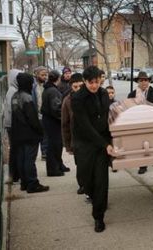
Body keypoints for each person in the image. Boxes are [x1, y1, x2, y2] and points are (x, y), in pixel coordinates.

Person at [72, 66, 114, 233]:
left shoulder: (103, 94)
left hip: (102, 143)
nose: (95, 85)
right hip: (85, 143)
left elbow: (107, 117)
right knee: (86, 180)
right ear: (85, 81)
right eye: (91, 83)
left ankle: (99, 216)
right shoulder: (77, 98)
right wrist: (105, 144)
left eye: (97, 82)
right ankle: (92, 195)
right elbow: (85, 127)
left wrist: (110, 140)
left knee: (101, 181)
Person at [11, 72, 50, 193]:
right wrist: (40, 131)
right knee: (29, 160)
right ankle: (33, 184)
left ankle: (25, 183)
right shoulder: (27, 98)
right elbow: (32, 119)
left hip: (18, 134)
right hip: (29, 134)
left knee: (21, 159)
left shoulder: (15, 96)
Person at [127, 71, 153, 174]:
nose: (144, 82)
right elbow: (129, 109)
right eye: (141, 80)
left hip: (152, 121)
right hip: (139, 122)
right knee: (141, 145)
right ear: (138, 82)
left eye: (146, 80)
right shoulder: (132, 94)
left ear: (149, 81)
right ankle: (143, 165)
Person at [41, 70, 69, 176]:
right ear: (57, 79)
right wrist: (63, 118)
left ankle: (58, 165)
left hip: (50, 120)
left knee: (57, 144)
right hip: (52, 121)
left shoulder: (49, 89)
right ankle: (53, 169)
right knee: (54, 145)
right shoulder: (52, 91)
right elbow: (56, 108)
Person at [61, 73, 85, 194]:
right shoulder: (67, 101)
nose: (78, 89)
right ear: (71, 86)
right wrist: (68, 144)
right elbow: (65, 124)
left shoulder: (90, 97)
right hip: (76, 139)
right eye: (75, 87)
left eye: (81, 86)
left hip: (90, 138)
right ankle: (82, 184)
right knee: (80, 164)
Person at [3, 69, 22, 183]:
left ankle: (14, 175)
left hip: (11, 125)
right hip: (12, 125)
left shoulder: (13, 89)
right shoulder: (12, 91)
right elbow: (12, 111)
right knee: (15, 150)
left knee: (15, 150)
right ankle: (14, 175)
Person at [32, 66, 48, 160]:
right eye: (42, 75)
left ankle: (44, 152)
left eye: (46, 75)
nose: (45, 77)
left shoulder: (46, 85)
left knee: (45, 135)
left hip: (44, 114)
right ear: (36, 75)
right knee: (36, 135)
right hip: (35, 114)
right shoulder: (32, 86)